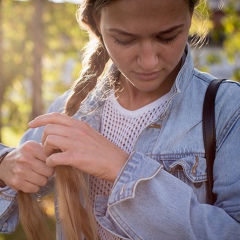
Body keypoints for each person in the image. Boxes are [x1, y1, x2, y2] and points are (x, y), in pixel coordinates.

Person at [0, 0, 240, 239]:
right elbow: (14, 186)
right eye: (125, 40)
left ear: (190, 17)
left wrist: (123, 169)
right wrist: (6, 166)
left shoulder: (227, 108)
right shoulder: (71, 110)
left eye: (167, 37)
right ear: (96, 25)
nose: (149, 61)